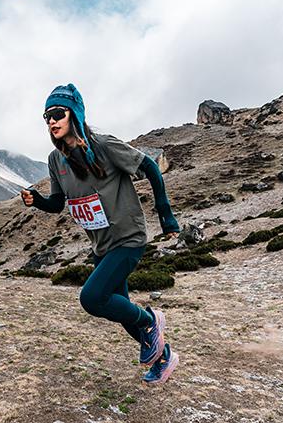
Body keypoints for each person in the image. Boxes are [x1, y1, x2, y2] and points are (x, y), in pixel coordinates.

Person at [21, 83, 181, 385]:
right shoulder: (56, 160)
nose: (51, 121)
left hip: (128, 239)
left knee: (93, 298)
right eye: (47, 117)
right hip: (101, 245)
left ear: (75, 114)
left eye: (58, 113)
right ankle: (164, 357)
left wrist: (166, 215)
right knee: (119, 309)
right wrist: (36, 200)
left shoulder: (105, 146)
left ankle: (151, 319)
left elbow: (150, 167)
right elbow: (58, 204)